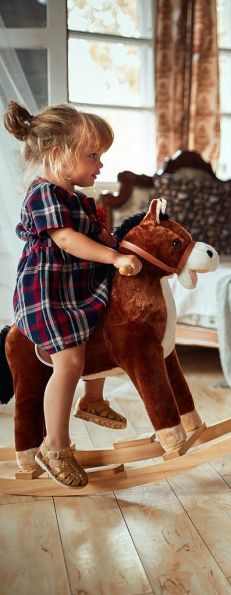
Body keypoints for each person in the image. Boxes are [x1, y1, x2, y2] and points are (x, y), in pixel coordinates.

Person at [4, 101, 142, 488]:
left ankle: (93, 399)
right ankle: (55, 445)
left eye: (102, 155)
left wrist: (124, 250)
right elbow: (67, 240)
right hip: (47, 292)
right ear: (57, 154)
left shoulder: (80, 199)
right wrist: (113, 258)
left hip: (77, 288)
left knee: (105, 331)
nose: (100, 164)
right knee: (69, 361)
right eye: (92, 154)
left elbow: (98, 238)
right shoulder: (44, 194)